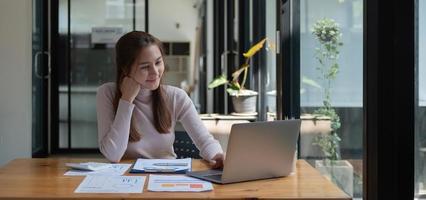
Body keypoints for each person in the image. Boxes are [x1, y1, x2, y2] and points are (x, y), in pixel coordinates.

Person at [96, 31, 224, 168]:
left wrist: (217, 155)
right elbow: (112, 155)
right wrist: (126, 100)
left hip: (166, 177)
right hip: (125, 179)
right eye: (145, 67)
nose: (155, 72)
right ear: (126, 69)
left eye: (158, 62)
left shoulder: (176, 96)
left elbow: (205, 140)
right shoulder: (107, 93)